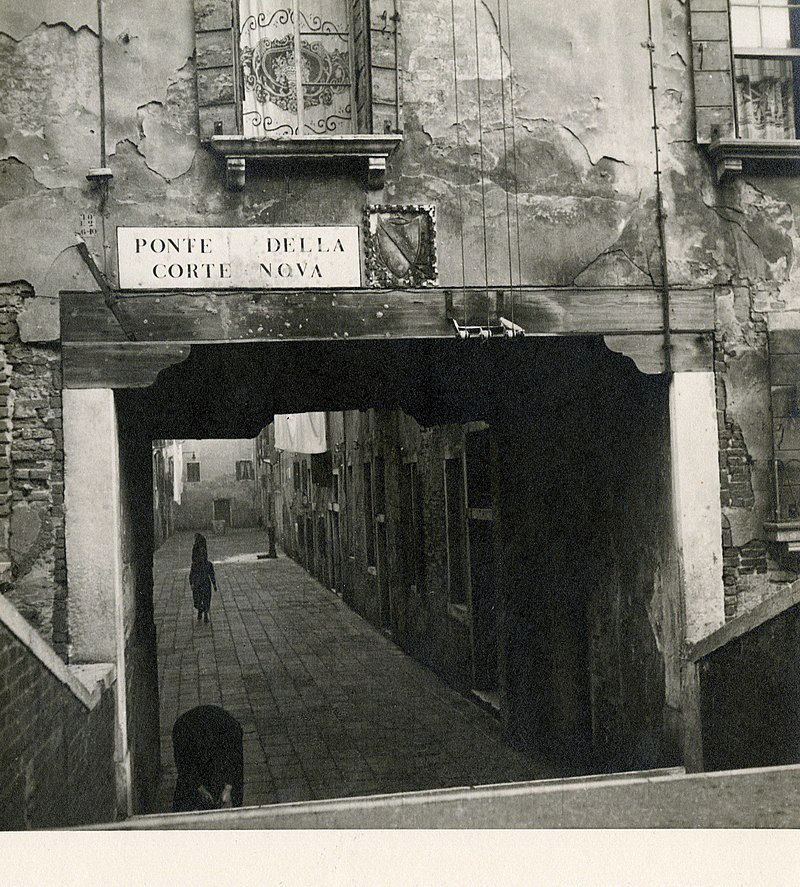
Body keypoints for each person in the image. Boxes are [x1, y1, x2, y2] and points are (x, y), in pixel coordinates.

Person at [172, 705, 244, 812]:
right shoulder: (183, 735)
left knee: (227, 778)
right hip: (188, 731)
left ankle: (235, 809)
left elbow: (237, 765)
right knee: (186, 784)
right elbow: (183, 767)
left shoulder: (231, 732)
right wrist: (199, 787)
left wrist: (228, 788)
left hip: (214, 730)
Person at [189, 532, 217, 623]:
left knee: (206, 599)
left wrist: (214, 584)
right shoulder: (194, 566)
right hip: (197, 583)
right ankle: (200, 609)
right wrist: (192, 583)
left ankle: (205, 614)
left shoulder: (208, 564)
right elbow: (191, 575)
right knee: (197, 600)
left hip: (205, 583)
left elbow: (211, 574)